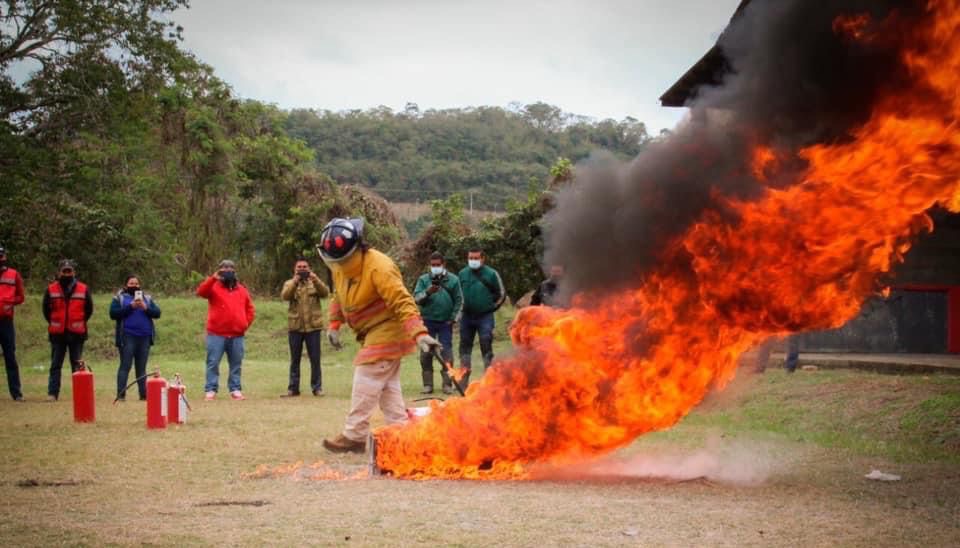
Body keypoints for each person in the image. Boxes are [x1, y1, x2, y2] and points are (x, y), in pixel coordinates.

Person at [317, 218, 438, 454]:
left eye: (343, 259)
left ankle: (354, 435)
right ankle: (403, 435)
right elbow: (338, 296)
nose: (340, 264)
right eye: (336, 260)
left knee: (368, 376)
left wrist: (420, 334)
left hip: (389, 330)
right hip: (369, 332)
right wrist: (334, 324)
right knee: (387, 388)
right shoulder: (340, 268)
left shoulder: (379, 266)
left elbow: (402, 301)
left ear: (358, 247)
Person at [197, 259, 255, 401]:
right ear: (220, 270)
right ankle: (211, 389)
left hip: (237, 334)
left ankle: (235, 389)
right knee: (213, 362)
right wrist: (213, 278)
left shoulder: (242, 289)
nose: (228, 270)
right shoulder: (214, 287)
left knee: (236, 363)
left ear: (234, 271)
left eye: (230, 268)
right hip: (216, 334)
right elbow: (201, 292)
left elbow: (250, 309)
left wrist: (244, 324)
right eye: (224, 268)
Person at [42, 259, 94, 401]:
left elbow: (89, 310)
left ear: (74, 272)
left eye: (69, 271)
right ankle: (52, 393)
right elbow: (46, 310)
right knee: (55, 365)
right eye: (64, 271)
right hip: (57, 334)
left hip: (77, 334)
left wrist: (76, 322)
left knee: (77, 365)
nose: (67, 273)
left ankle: (79, 394)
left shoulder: (83, 288)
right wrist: (57, 322)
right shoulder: (51, 289)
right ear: (59, 272)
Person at [413, 251, 462, 394]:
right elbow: (416, 299)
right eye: (433, 265)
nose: (435, 267)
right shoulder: (423, 280)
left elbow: (460, 300)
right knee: (426, 353)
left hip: (445, 323)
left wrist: (454, 318)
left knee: (447, 353)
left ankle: (447, 384)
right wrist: (428, 292)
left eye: (438, 265)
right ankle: (428, 385)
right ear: (430, 265)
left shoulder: (453, 280)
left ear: (443, 264)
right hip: (427, 321)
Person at [280, 257, 330, 397]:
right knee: (295, 359)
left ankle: (317, 388)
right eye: (299, 267)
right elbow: (285, 296)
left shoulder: (314, 283)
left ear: (309, 269)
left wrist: (315, 279)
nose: (302, 269)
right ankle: (293, 389)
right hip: (295, 327)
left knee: (315, 359)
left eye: (304, 267)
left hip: (313, 328)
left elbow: (325, 293)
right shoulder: (289, 283)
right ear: (294, 270)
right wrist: (295, 282)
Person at [457, 247, 505, 386]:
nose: (473, 260)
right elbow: (457, 294)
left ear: (483, 258)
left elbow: (501, 294)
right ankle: (463, 379)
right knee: (464, 347)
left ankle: (489, 379)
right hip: (466, 317)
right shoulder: (462, 273)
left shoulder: (491, 274)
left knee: (486, 342)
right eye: (470, 258)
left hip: (485, 317)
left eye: (476, 258)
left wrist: (491, 307)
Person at [109, 275, 161, 401]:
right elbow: (113, 314)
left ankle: (143, 395)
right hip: (127, 336)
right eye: (131, 283)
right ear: (126, 285)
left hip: (144, 337)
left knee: (141, 368)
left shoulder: (146, 298)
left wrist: (145, 308)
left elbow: (157, 313)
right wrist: (130, 306)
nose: (134, 285)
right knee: (125, 366)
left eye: (136, 283)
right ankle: (121, 395)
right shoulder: (119, 298)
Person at [0, 246, 25, 401]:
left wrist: (8, 302)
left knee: (10, 357)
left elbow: (20, 297)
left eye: (1, 256)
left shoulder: (13, 274)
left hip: (6, 321)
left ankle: (16, 393)